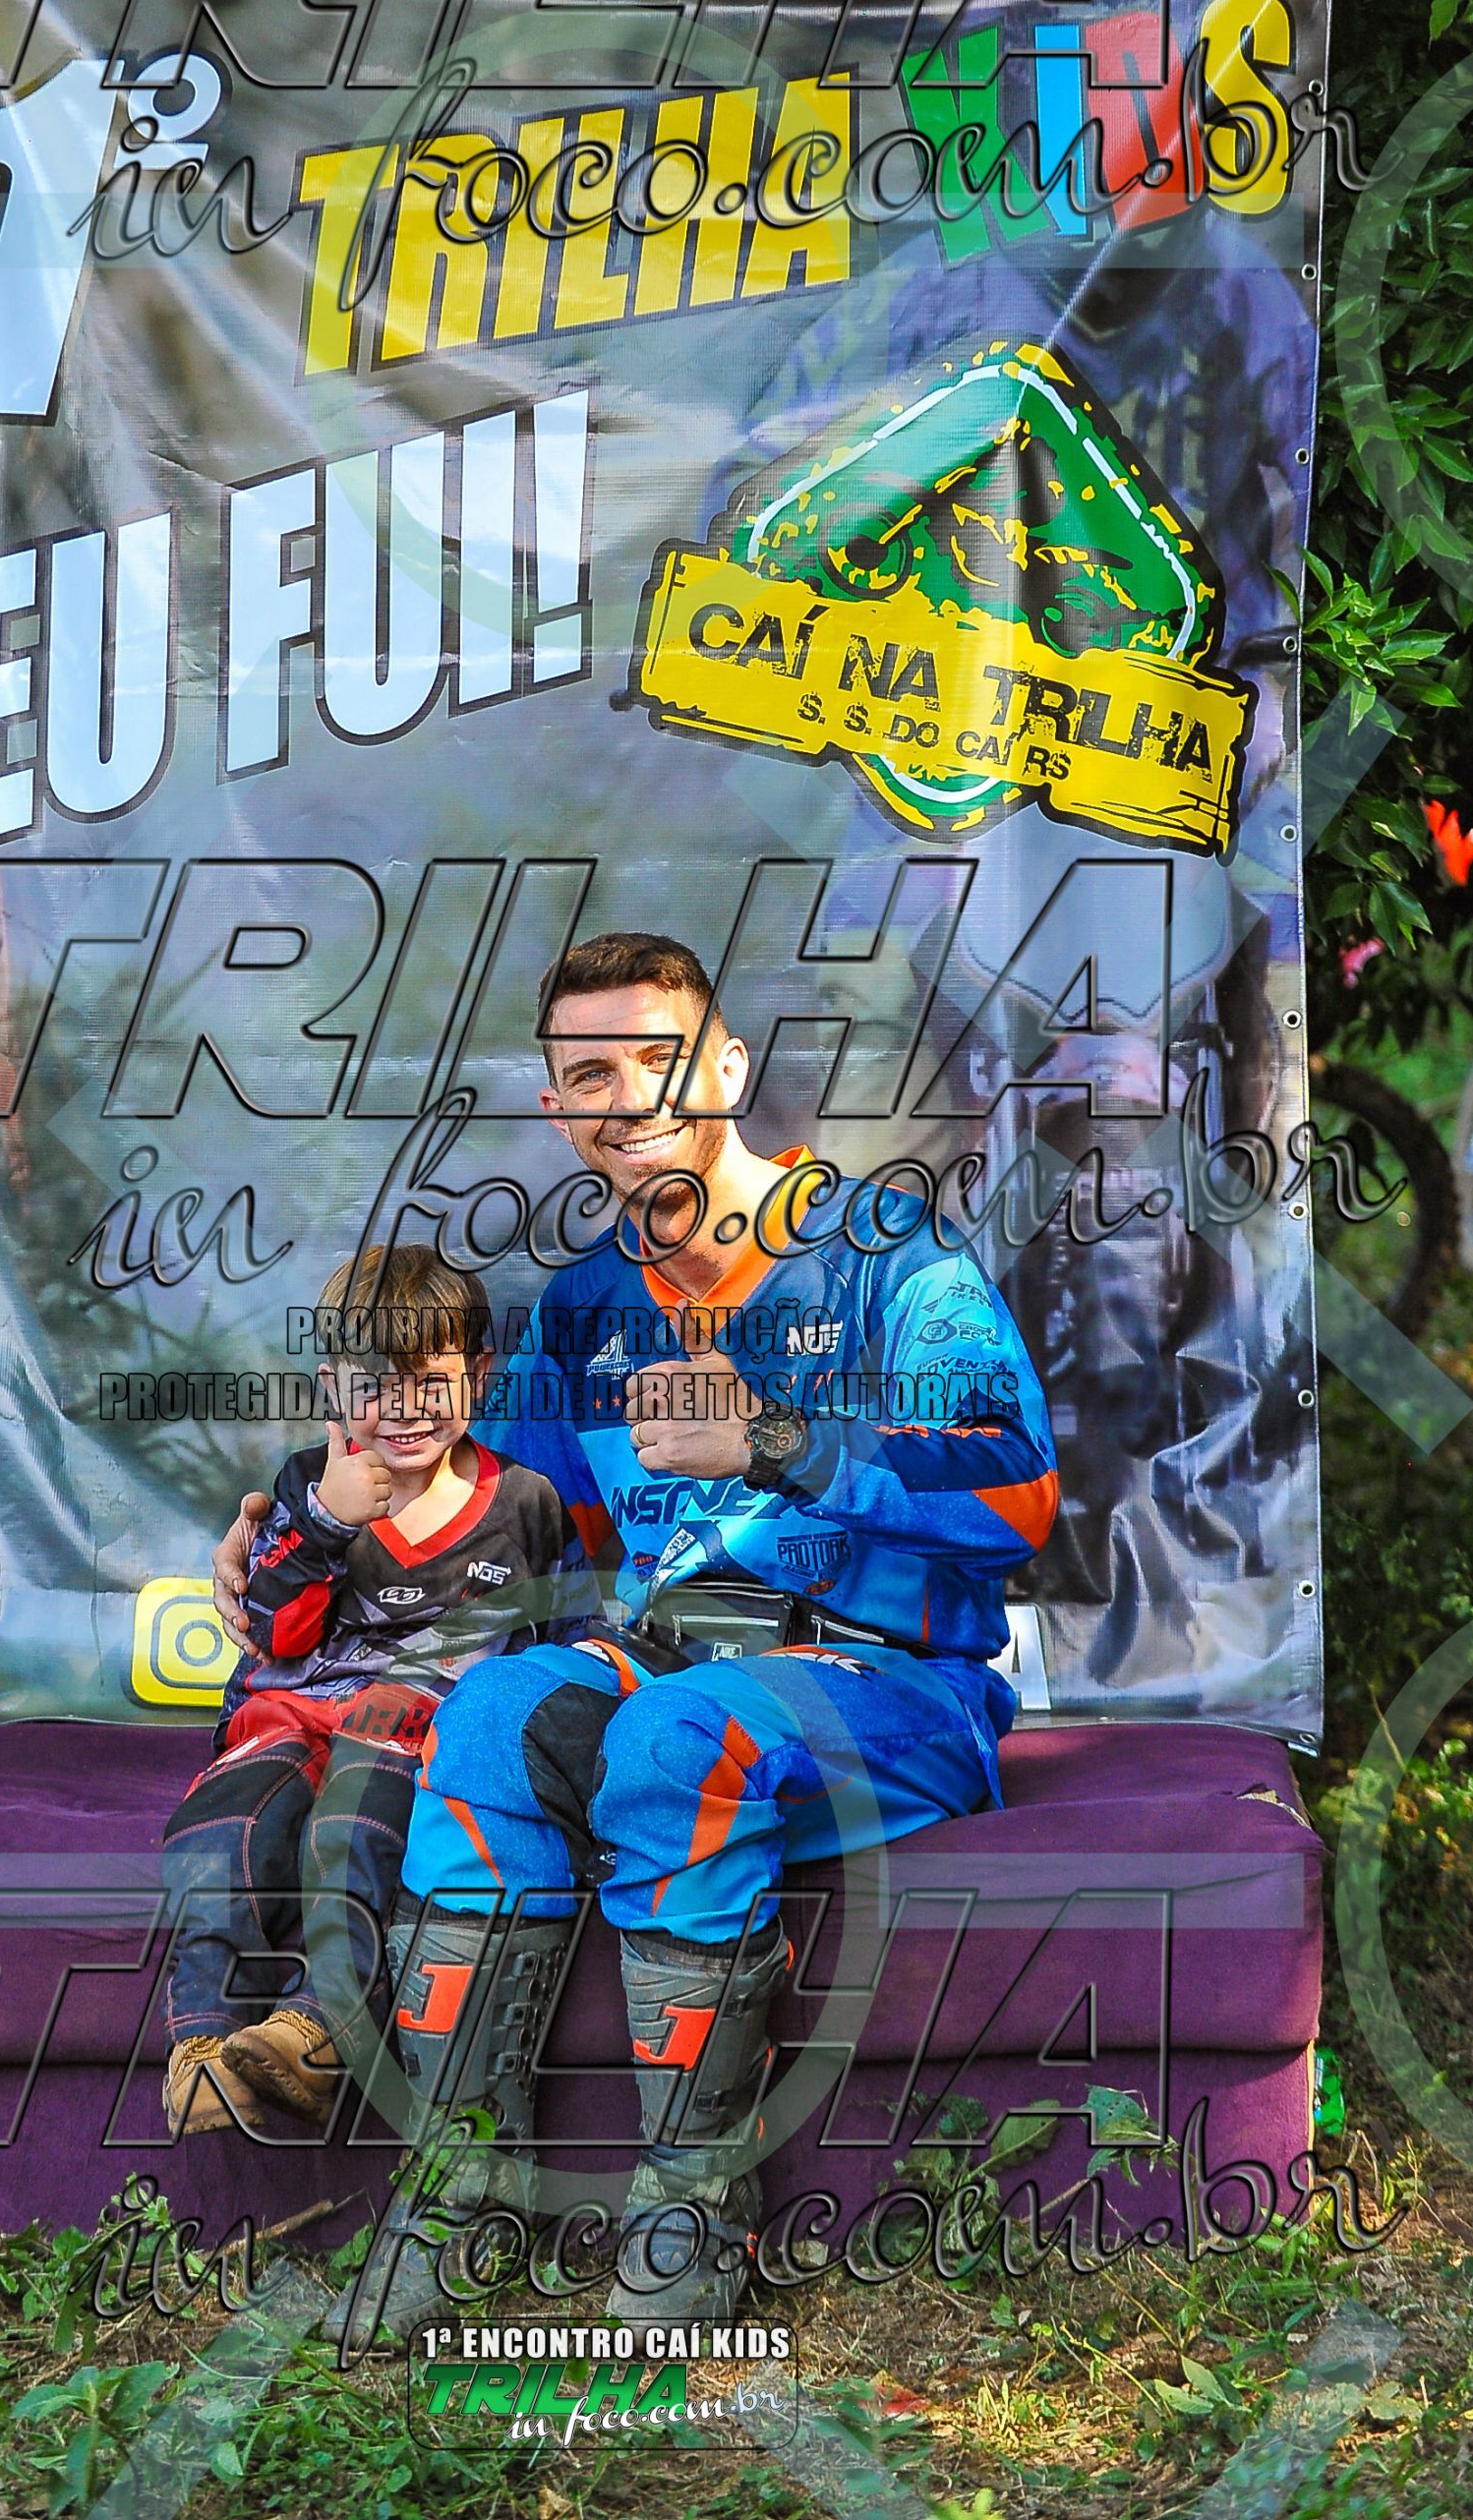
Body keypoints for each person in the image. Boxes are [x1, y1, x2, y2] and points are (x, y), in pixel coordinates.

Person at [209, 931, 1059, 2328]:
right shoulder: (585, 1310)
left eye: (659, 1057)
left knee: (675, 1736)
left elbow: (1019, 1493)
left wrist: (777, 1437)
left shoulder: (889, 1252)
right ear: (558, 1109)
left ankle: (691, 2210)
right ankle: (463, 2189)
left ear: (727, 1066)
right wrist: (292, 1531)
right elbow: (476, 1510)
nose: (630, 1095)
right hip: (674, 1648)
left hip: (893, 1675)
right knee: (493, 1718)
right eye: (590, 1073)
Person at [161, 1244, 598, 2137]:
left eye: (429, 1382)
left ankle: (316, 2031)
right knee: (225, 1825)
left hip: (410, 1728)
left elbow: (567, 1640)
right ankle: (202, 2042)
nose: (402, 1410)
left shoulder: (527, 1504)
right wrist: (324, 1522)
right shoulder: (305, 1486)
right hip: (289, 1713)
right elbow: (271, 1630)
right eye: (373, 1385)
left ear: (479, 1375)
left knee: (355, 1821)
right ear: (331, 1386)